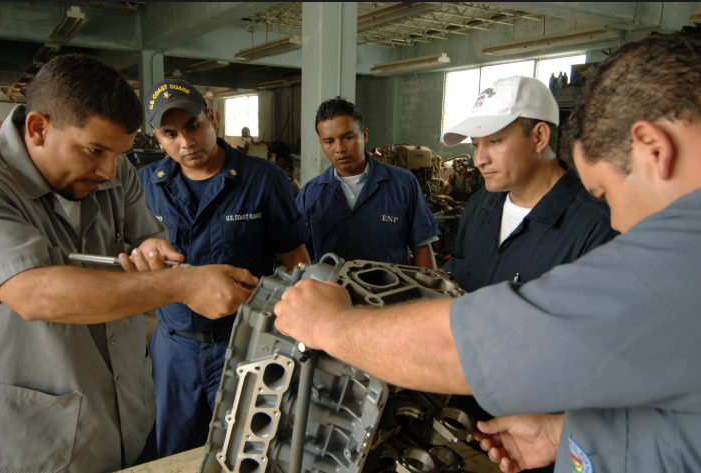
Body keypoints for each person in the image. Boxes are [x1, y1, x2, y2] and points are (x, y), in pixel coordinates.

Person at [273, 32, 701, 473]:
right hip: (500, 428)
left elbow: (460, 346)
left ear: (654, 148)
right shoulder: (481, 207)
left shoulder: (670, 260)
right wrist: (562, 434)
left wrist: (331, 324)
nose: (617, 220)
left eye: (607, 191)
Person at [0, 55, 257, 473]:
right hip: (39, 437)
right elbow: (32, 292)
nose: (109, 170)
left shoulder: (114, 172)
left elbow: (150, 235)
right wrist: (182, 285)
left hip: (128, 418)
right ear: (38, 129)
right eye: (94, 150)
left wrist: (155, 248)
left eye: (120, 153)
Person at [137, 79, 310, 458]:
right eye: (171, 133)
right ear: (157, 138)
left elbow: (295, 259)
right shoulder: (145, 186)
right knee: (174, 449)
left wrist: (304, 330)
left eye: (193, 126)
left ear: (211, 117)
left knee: (249, 447)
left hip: (245, 343)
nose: (186, 142)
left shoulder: (264, 179)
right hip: (174, 348)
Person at [442, 76, 617, 292]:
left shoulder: (596, 229)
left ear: (539, 137)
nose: (479, 160)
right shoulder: (479, 206)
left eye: (494, 142)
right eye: (476, 145)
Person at [296, 97, 440, 268]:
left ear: (364, 135)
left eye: (348, 137)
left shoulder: (403, 184)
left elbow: (422, 247)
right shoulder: (310, 194)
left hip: (388, 293)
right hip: (332, 292)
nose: (339, 148)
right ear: (321, 143)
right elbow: (298, 253)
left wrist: (428, 294)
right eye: (329, 141)